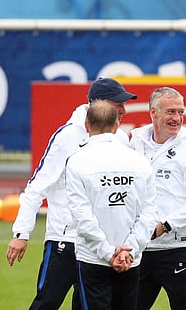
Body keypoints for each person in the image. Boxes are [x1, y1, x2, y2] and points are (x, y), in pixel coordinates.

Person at [6, 77, 137, 310]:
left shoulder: (120, 138)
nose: (124, 109)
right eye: (118, 103)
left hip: (99, 243)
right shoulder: (67, 136)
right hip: (65, 240)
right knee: (47, 302)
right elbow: (37, 186)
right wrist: (21, 233)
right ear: (96, 103)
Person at [65, 100, 157, 310]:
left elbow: (82, 216)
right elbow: (149, 213)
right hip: (129, 259)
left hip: (93, 259)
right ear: (117, 127)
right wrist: (128, 251)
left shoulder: (77, 161)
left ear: (87, 126)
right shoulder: (140, 162)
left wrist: (108, 253)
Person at [129, 87, 186, 310]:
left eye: (181, 112)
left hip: (177, 248)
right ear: (153, 112)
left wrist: (166, 225)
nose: (177, 118)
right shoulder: (134, 142)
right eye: (171, 112)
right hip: (139, 247)